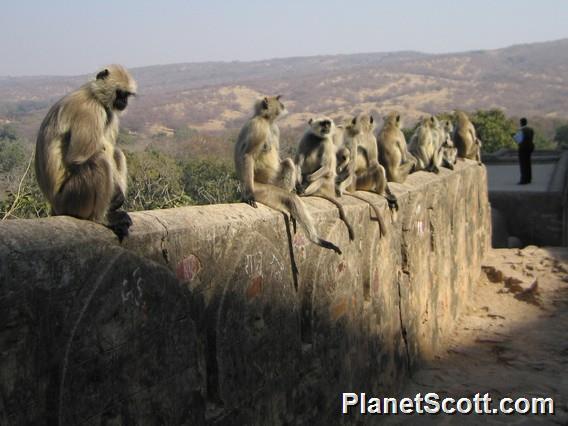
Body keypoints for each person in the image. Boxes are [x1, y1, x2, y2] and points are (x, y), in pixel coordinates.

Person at [512, 118, 535, 185]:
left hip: (522, 149)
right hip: (530, 148)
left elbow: (519, 140)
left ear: (521, 123)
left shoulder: (521, 130)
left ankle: (523, 180)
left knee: (523, 165)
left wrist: (514, 136)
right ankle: (529, 178)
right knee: (528, 163)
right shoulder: (531, 130)